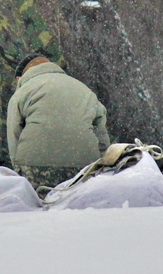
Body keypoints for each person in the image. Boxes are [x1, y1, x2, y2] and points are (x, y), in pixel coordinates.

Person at [6, 54, 111, 191]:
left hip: (35, 164)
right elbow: (101, 134)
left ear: (20, 77)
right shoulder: (83, 89)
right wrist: (102, 164)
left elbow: (14, 133)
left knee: (37, 208)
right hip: (83, 165)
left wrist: (18, 167)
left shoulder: (23, 92)